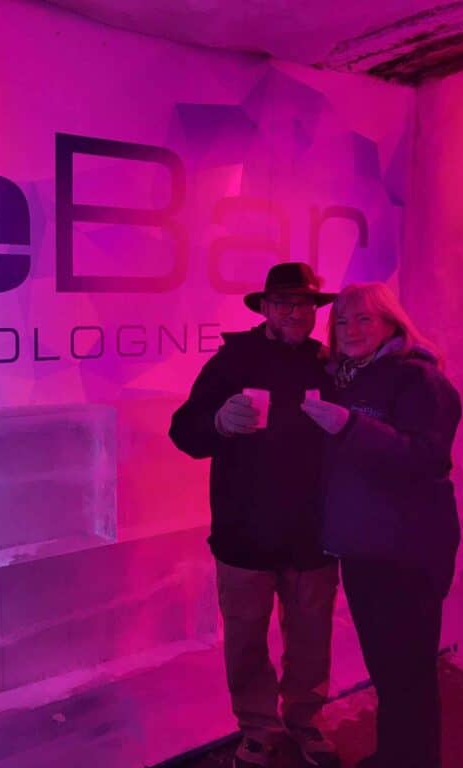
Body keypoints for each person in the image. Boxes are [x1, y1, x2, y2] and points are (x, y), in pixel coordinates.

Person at [169, 262, 341, 768]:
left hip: (314, 531)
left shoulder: (328, 365)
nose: (294, 312)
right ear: (264, 308)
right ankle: (258, 726)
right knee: (245, 637)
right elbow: (184, 431)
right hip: (244, 531)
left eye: (305, 304)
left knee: (311, 637)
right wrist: (218, 423)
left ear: (315, 312)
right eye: (283, 302)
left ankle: (306, 720)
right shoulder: (233, 361)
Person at [300, 283, 461, 768]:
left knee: (408, 673)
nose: (350, 330)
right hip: (364, 549)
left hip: (406, 553)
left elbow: (428, 458)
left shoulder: (419, 379)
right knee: (389, 671)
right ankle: (396, 755)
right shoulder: (349, 378)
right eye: (343, 321)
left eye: (364, 319)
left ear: (392, 323)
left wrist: (350, 426)